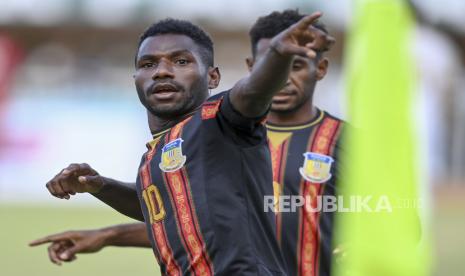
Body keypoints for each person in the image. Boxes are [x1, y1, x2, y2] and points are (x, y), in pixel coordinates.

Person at [31, 10, 343, 276]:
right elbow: (160, 207)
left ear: (213, 78)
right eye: (148, 64)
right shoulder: (156, 154)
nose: (162, 71)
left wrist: (279, 54)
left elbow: (251, 94)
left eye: (181, 61)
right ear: (135, 77)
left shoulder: (219, 120)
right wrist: (100, 186)